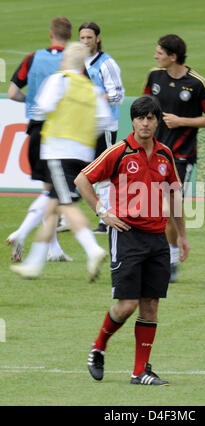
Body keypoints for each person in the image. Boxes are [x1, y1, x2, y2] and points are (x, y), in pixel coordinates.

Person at [74, 95, 190, 386]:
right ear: (133, 121)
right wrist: (103, 212)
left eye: (150, 118)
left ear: (156, 121)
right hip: (127, 236)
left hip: (157, 239)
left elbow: (175, 194)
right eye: (140, 118)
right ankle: (98, 346)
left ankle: (140, 371)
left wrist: (183, 236)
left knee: (150, 304)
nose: (145, 123)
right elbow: (82, 180)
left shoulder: (165, 155)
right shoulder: (119, 152)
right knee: (126, 305)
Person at [10, 42, 113, 282]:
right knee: (52, 206)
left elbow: (42, 108)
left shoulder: (59, 80)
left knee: (65, 205)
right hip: (82, 154)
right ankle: (34, 264)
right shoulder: (91, 89)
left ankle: (92, 249)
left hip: (57, 150)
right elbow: (104, 121)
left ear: (66, 60)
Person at [143, 34, 205, 282]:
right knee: (154, 208)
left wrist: (181, 121)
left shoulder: (197, 83)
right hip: (152, 152)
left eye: (159, 52)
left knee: (166, 206)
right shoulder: (155, 77)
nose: (155, 56)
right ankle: (160, 255)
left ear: (173, 56)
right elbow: (144, 107)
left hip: (181, 156)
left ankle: (172, 257)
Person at [6, 16, 72, 262]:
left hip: (35, 130)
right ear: (70, 35)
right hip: (60, 131)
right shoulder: (72, 61)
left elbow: (13, 92)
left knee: (50, 189)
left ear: (50, 33)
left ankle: (53, 250)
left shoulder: (32, 58)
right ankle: (22, 233)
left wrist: (32, 101)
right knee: (55, 191)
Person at [57, 21, 125, 236]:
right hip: (81, 126)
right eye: (82, 38)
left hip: (104, 126)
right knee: (73, 168)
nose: (85, 41)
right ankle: (67, 216)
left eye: (89, 38)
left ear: (98, 39)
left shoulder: (106, 64)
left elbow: (118, 96)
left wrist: (94, 97)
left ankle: (106, 220)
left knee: (104, 174)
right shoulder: (78, 63)